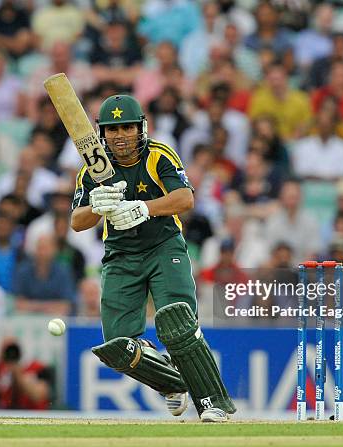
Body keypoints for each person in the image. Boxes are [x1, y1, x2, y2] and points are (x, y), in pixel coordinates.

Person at [71, 94, 235, 422]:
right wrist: (97, 207)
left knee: (178, 322)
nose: (120, 135)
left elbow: (185, 198)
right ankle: (171, 383)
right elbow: (77, 221)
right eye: (113, 129)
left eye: (127, 127)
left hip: (164, 247)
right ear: (102, 133)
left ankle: (213, 402)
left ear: (141, 127)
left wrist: (145, 207)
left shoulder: (158, 155)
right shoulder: (93, 168)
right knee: (118, 346)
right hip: (120, 255)